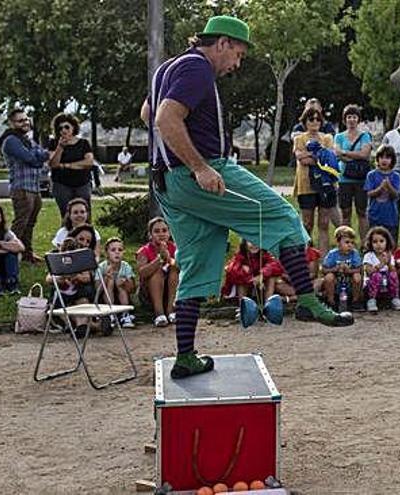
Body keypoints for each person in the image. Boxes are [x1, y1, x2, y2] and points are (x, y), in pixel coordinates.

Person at [142, 16, 353, 378]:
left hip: (167, 183)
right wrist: (199, 167)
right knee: (283, 217)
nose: (236, 65)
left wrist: (174, 159)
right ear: (222, 43)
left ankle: (186, 356)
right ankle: (306, 301)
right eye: (237, 55)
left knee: (197, 260)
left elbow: (148, 113)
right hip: (201, 174)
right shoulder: (198, 69)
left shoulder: (169, 67)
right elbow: (165, 118)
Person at [0, 109, 48, 264]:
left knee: (30, 223)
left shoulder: (27, 140)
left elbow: (41, 155)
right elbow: (32, 159)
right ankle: (5, 256)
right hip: (21, 188)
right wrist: (38, 158)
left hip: (34, 187)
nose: (25, 122)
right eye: (20, 121)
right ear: (12, 123)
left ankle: (27, 254)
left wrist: (37, 157)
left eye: (26, 119)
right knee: (20, 223)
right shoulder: (11, 140)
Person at [294, 106, 338, 252]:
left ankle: (324, 261)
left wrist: (312, 156)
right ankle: (306, 257)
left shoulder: (327, 138)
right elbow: (301, 159)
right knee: (307, 223)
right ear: (305, 121)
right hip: (306, 185)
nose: (314, 122)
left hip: (325, 185)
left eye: (318, 119)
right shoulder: (299, 138)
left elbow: (330, 158)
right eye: (311, 119)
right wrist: (319, 157)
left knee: (324, 223)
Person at [335, 104, 372, 242]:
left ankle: (364, 243)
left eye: (354, 116)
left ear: (358, 119)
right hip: (344, 179)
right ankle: (346, 242)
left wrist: (345, 153)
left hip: (361, 179)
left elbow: (364, 154)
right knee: (345, 212)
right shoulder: (339, 136)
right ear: (345, 119)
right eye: (349, 117)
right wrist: (353, 155)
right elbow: (337, 154)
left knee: (362, 212)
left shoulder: (365, 136)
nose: (351, 119)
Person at [48, 113, 94, 216]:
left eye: (67, 127)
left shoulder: (83, 143)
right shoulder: (53, 143)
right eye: (60, 128)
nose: (63, 130)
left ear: (73, 127)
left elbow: (89, 162)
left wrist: (66, 165)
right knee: (66, 215)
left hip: (82, 184)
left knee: (84, 214)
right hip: (61, 184)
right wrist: (60, 147)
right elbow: (53, 164)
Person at [362, 226, 400, 313]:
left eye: (381, 241)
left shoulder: (389, 255)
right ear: (370, 243)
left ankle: (395, 298)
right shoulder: (369, 255)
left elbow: (393, 270)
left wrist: (388, 262)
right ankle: (371, 300)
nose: (378, 244)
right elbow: (368, 271)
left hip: (386, 282)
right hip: (371, 284)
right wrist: (381, 264)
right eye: (375, 242)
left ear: (387, 242)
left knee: (393, 275)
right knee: (376, 275)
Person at [321, 226, 363, 312]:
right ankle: (331, 302)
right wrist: (335, 269)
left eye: (352, 242)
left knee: (357, 276)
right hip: (336, 284)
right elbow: (324, 270)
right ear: (338, 242)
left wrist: (349, 271)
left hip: (348, 283)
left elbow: (360, 269)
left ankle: (355, 301)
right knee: (329, 277)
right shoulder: (332, 254)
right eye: (347, 242)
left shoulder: (354, 253)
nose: (350, 245)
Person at [364, 145, 400, 242]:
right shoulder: (371, 175)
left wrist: (389, 186)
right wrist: (380, 188)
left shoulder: (396, 176)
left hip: (390, 216)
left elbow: (396, 195)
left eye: (388, 157)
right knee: (374, 240)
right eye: (381, 157)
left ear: (392, 160)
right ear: (377, 159)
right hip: (375, 215)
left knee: (390, 241)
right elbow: (369, 193)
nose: (384, 160)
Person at [97, 237, 137, 328]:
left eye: (120, 250)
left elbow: (132, 289)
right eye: (113, 250)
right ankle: (111, 313)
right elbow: (97, 290)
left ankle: (125, 314)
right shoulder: (101, 267)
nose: (117, 252)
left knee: (120, 284)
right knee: (110, 282)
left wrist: (125, 282)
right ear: (106, 253)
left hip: (122, 296)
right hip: (105, 296)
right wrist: (106, 278)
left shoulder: (126, 266)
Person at [0, 202, 25, 295]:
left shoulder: (6, 233)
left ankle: (12, 283)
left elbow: (21, 247)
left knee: (12, 255)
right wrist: (7, 248)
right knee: (10, 251)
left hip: (3, 266)